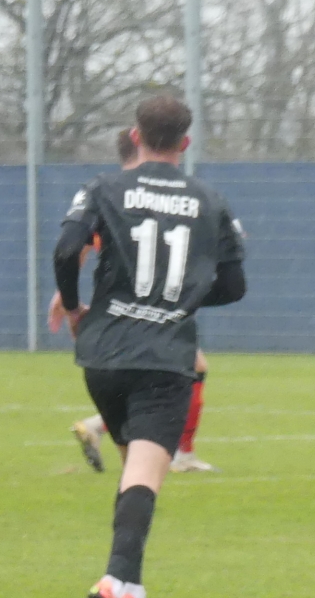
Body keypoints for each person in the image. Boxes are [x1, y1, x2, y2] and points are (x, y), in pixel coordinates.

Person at [54, 94, 246, 598]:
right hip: (163, 359)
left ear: (135, 136)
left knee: (133, 476)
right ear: (185, 142)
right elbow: (234, 286)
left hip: (103, 355)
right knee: (144, 475)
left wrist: (74, 306)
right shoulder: (210, 200)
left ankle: (134, 597)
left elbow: (66, 249)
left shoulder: (102, 189)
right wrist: (181, 296)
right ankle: (114, 581)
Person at [60, 127, 216, 474]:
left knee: (164, 373)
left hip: (121, 317)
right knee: (186, 369)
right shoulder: (143, 197)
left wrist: (66, 292)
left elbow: (76, 243)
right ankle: (179, 454)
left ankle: (105, 432)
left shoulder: (114, 195)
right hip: (150, 310)